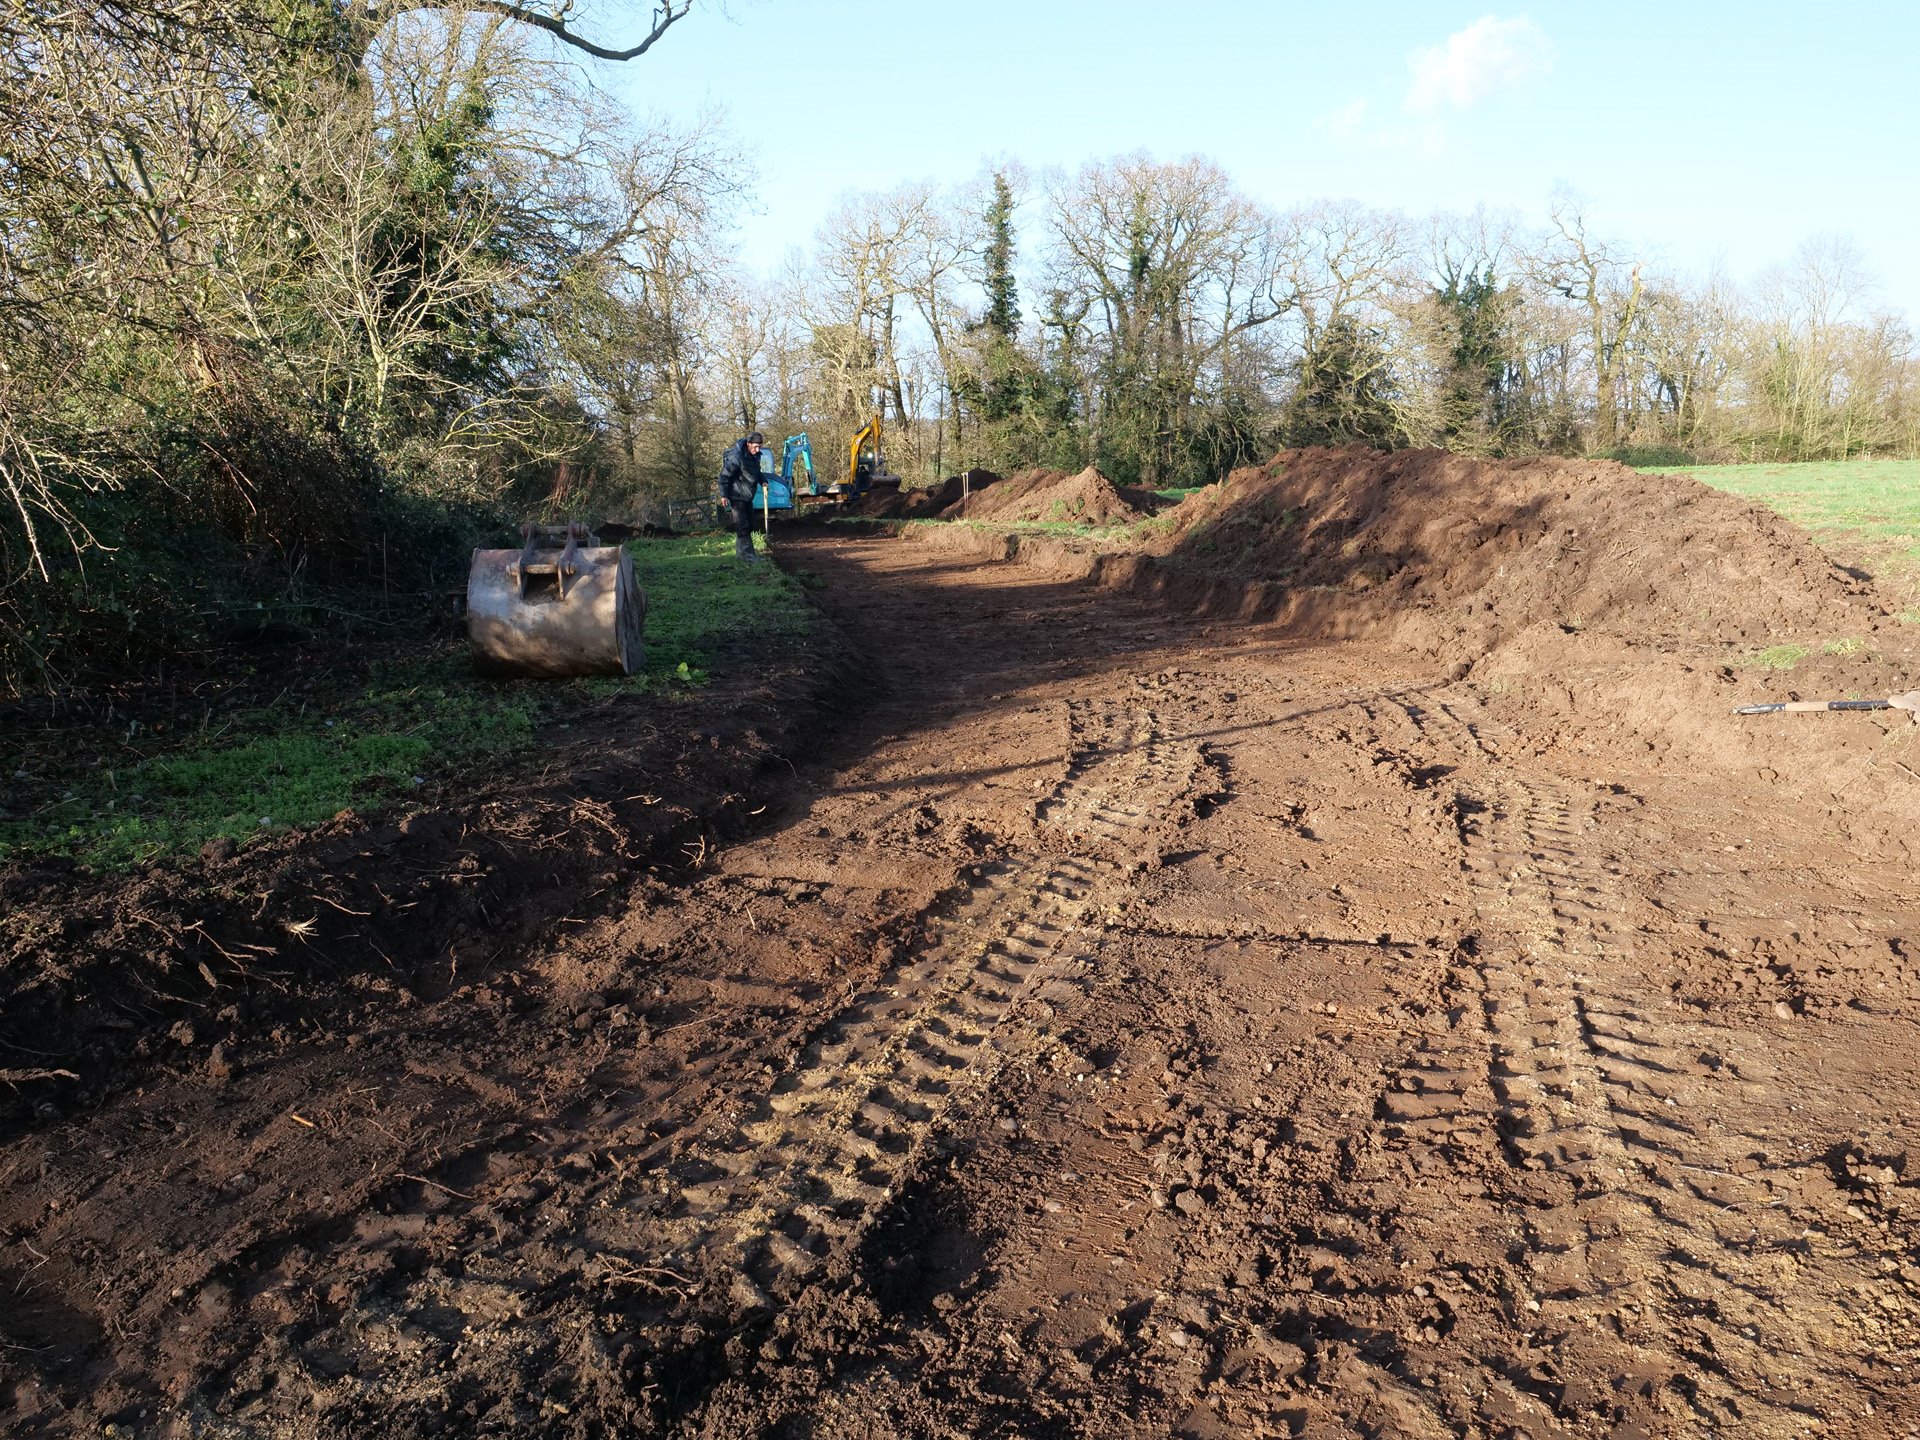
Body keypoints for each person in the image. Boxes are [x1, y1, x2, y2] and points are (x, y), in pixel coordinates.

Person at [717, 431, 768, 562]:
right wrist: (724, 495)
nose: (757, 450)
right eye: (755, 447)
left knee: (751, 524)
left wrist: (763, 480)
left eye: (759, 447)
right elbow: (724, 476)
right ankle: (747, 556)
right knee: (742, 525)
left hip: (747, 496)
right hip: (736, 495)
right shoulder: (737, 456)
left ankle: (743, 554)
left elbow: (757, 471)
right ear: (748, 444)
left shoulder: (755, 457)